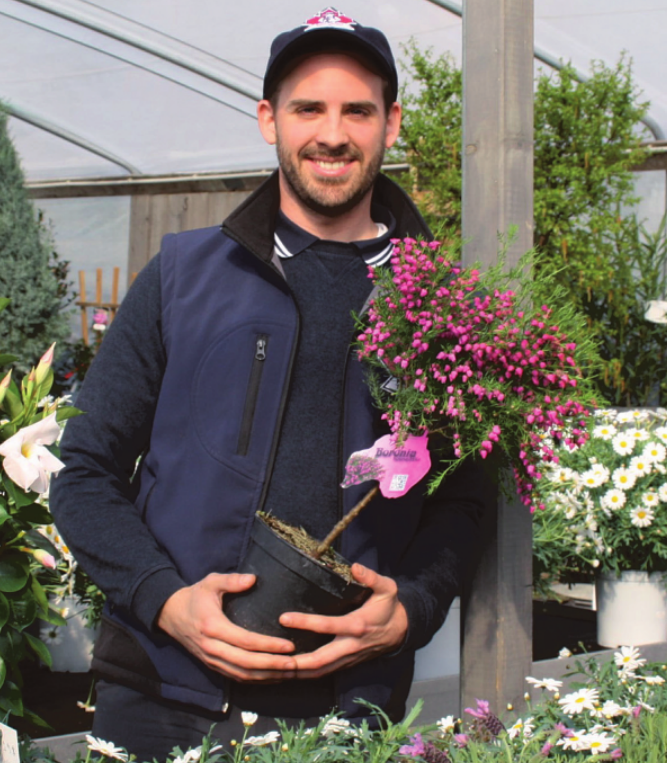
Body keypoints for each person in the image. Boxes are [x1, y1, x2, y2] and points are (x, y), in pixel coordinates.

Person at [50, 8, 489, 761]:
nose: (332, 133)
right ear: (268, 119)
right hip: (164, 693)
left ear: (392, 123)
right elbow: (84, 473)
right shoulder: (185, 276)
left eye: (358, 110)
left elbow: (472, 495)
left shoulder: (440, 303)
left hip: (346, 705)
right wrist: (167, 600)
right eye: (307, 108)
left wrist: (410, 609)